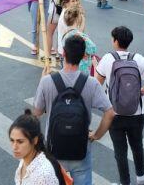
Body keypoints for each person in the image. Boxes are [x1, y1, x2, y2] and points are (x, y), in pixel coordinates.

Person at [33, 35, 116, 184]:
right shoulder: (91, 83)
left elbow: (37, 113)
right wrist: (96, 135)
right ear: (84, 56)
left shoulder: (47, 81)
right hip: (80, 148)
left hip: (54, 149)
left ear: (63, 53)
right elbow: (110, 113)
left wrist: (41, 80)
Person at [95, 26, 144, 185]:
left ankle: (124, 182)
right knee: (137, 145)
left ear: (115, 41)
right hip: (137, 112)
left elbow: (96, 84)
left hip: (114, 113)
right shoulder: (137, 58)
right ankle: (141, 176)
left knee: (120, 151)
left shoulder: (107, 59)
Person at [10, 109, 69, 185]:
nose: (14, 147)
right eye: (12, 140)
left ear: (35, 140)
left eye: (20, 142)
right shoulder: (24, 160)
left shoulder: (43, 175)